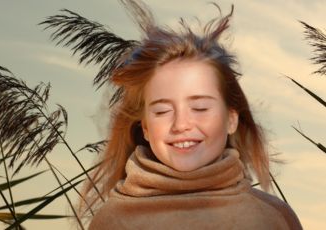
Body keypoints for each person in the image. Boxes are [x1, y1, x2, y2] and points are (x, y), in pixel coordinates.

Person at [71, 1, 302, 229]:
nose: (181, 124)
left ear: (231, 119)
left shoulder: (272, 217)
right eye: (162, 111)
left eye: (200, 108)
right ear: (146, 129)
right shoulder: (112, 221)